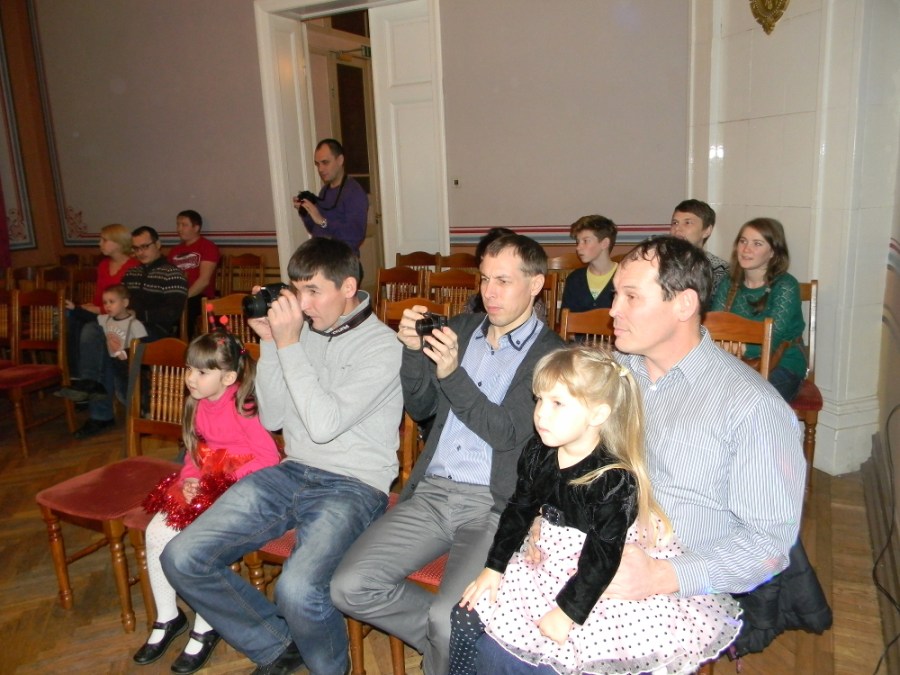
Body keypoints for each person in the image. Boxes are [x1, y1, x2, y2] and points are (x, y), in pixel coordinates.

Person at [162, 237, 402, 675]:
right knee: (182, 556)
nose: (302, 304)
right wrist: (272, 343)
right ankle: (276, 646)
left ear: (348, 287)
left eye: (314, 291)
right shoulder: (299, 334)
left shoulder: (382, 346)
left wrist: (288, 344)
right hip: (292, 471)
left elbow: (324, 425)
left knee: (297, 589)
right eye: (298, 290)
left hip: (354, 485)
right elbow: (272, 417)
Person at [331, 233, 565, 675]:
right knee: (349, 586)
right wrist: (412, 351)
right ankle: (459, 645)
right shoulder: (461, 328)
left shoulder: (551, 355)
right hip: (432, 493)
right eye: (484, 279)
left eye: (503, 281)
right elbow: (421, 407)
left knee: (447, 616)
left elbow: (505, 432)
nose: (489, 292)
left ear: (535, 284)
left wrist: (453, 373)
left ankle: (452, 641)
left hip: (493, 506)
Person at [449, 346, 742, 675]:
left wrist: (567, 613)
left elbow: (602, 557)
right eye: (540, 399)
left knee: (557, 660)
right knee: (464, 617)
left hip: (596, 577)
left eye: (558, 403)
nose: (541, 414)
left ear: (598, 415)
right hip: (546, 560)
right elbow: (519, 509)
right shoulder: (538, 452)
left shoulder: (613, 480)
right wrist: (495, 566)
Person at [132, 331, 280, 674]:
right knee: (156, 533)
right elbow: (195, 453)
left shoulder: (243, 406)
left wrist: (220, 482)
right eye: (189, 369)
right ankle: (168, 617)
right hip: (206, 482)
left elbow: (269, 457)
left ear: (228, 378)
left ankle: (206, 624)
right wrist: (189, 480)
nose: (190, 378)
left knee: (200, 546)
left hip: (242, 486)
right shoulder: (197, 403)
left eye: (201, 372)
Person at [66, 226, 188, 439]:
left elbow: (171, 313)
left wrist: (137, 314)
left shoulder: (173, 273)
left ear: (158, 245)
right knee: (93, 331)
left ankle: (106, 408)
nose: (140, 252)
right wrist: (79, 310)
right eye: (136, 248)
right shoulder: (131, 274)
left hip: (153, 331)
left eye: (145, 246)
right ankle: (98, 405)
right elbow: (115, 305)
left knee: (109, 340)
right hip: (123, 326)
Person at [710, 218, 807, 402]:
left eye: (757, 244)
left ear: (773, 252)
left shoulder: (786, 286)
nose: (746, 249)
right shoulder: (729, 282)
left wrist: (735, 346)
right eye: (743, 241)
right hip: (734, 362)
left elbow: (772, 339)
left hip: (782, 364)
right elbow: (714, 329)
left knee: (743, 400)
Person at [65, 223, 139, 377]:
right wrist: (90, 306)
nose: (100, 243)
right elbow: (99, 297)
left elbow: (128, 303)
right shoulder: (104, 265)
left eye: (104, 240)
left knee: (88, 329)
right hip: (102, 313)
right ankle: (76, 375)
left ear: (118, 243)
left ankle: (88, 378)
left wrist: (98, 309)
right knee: (70, 316)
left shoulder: (134, 266)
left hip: (120, 317)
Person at [56, 284, 148, 402]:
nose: (107, 306)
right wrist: (75, 308)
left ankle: (143, 409)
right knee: (120, 393)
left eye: (111, 302)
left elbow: (144, 346)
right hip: (113, 362)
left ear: (125, 303)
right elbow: (90, 316)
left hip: (128, 366)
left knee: (131, 394)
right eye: (105, 303)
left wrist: (127, 354)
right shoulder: (106, 319)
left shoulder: (134, 324)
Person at [294, 138, 369, 257]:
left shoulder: (354, 192)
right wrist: (305, 212)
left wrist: (323, 222)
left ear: (340, 160)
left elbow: (355, 237)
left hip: (342, 263)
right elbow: (315, 229)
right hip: (322, 260)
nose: (320, 169)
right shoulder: (325, 191)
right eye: (317, 164)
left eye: (325, 162)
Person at [169, 209, 220, 339]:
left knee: (188, 308)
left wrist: (184, 297)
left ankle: (183, 344)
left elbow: (204, 281)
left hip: (199, 296)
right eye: (178, 224)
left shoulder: (208, 247)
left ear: (196, 227)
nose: (179, 229)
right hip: (177, 294)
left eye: (184, 225)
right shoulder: (175, 250)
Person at [670, 199, 729, 293]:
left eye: (687, 223)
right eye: (675, 223)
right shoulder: (658, 263)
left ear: (707, 231)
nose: (677, 229)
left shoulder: (720, 271)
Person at [560, 215, 618, 312]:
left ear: (604, 243)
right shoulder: (574, 279)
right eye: (578, 242)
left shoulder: (624, 277)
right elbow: (566, 317)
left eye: (585, 241)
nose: (578, 248)